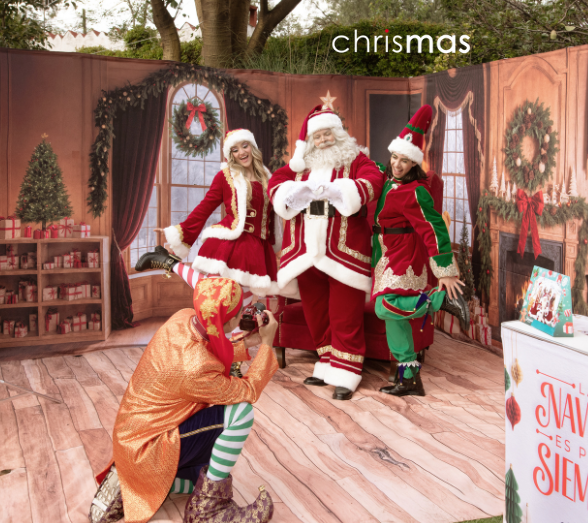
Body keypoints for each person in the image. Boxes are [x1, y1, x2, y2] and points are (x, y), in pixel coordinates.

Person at [89, 277, 280, 523]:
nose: (240, 316)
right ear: (229, 321)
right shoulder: (196, 369)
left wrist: (249, 342)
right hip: (150, 447)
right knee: (241, 414)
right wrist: (267, 345)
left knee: (199, 477)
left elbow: (210, 346)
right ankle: (207, 510)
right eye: (238, 313)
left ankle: (134, 482)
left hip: (133, 440)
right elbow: (248, 390)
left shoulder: (183, 318)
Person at [268, 104, 386, 401]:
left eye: (327, 134)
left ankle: (347, 372)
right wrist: (290, 192)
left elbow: (374, 180)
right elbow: (276, 182)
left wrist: (343, 190)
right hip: (305, 251)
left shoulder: (355, 159)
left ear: (338, 133)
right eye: (317, 136)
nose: (322, 141)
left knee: (345, 314)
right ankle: (327, 363)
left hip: (343, 252)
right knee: (316, 312)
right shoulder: (301, 164)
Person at [135, 130, 279, 359]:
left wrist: (277, 247)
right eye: (235, 149)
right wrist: (178, 234)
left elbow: (274, 218)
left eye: (244, 146)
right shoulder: (225, 177)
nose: (241, 152)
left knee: (241, 307)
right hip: (230, 243)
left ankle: (234, 360)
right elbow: (205, 207)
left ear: (252, 146)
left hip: (256, 249)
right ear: (230, 154)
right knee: (213, 294)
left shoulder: (267, 178)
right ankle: (169, 262)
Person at [369, 105, 470, 396]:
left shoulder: (415, 191)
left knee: (383, 306)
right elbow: (367, 165)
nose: (397, 164)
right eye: (395, 157)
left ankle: (440, 301)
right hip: (386, 255)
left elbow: (434, 228)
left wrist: (445, 270)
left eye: (405, 161)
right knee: (395, 320)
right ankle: (409, 379)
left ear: (414, 163)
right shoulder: (387, 180)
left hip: (404, 255)